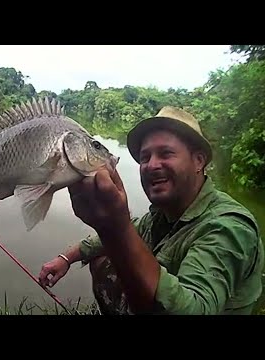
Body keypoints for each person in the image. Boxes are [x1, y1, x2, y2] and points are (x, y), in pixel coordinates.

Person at [39, 106, 264, 315]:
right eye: (145, 157)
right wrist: (65, 258)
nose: (152, 165)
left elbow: (195, 308)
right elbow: (112, 237)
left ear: (198, 161)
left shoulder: (229, 227)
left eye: (165, 154)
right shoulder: (161, 215)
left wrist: (117, 228)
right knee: (103, 258)